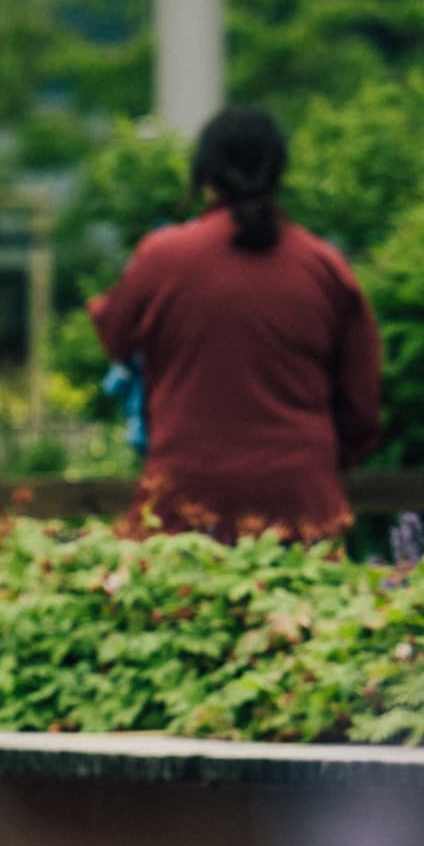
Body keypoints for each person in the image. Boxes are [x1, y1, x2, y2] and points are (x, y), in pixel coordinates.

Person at [88, 106, 382, 542]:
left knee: (176, 607)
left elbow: (113, 332)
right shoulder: (324, 266)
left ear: (205, 174)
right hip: (300, 498)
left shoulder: (163, 257)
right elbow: (361, 404)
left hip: (185, 493)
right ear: (278, 173)